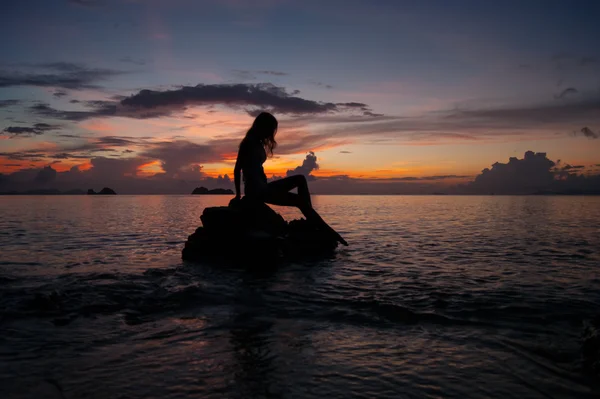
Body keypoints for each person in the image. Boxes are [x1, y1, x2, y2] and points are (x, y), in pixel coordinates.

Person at [231, 111, 348, 246]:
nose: (271, 133)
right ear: (262, 126)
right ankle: (325, 229)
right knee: (300, 201)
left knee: (300, 179)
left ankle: (312, 221)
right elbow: (237, 169)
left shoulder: (258, 143)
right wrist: (239, 195)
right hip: (256, 191)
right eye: (270, 129)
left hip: (264, 187)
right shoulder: (248, 143)